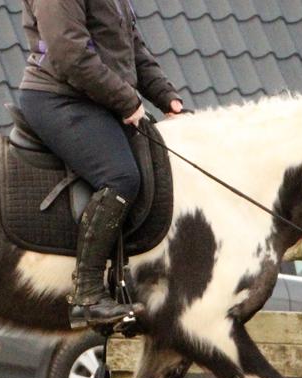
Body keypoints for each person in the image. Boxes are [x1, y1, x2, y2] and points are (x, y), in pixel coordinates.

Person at [18, 0, 184, 329]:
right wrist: (126, 101)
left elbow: (130, 47)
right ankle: (88, 295)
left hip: (97, 97)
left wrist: (167, 98)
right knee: (121, 177)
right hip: (59, 97)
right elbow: (69, 54)